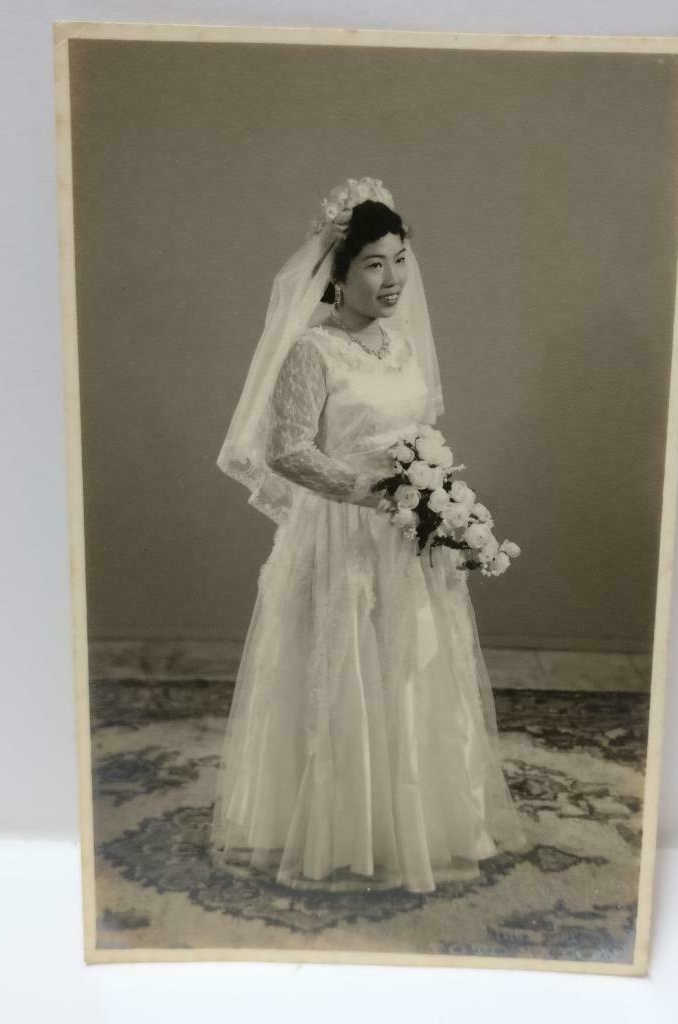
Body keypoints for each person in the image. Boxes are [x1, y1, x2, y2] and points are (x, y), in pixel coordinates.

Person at [211, 177, 525, 893]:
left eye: (400, 259)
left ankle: (416, 819)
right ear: (338, 275)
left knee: (412, 668)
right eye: (374, 264)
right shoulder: (312, 354)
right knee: (345, 665)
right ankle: (339, 825)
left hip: (407, 537)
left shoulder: (403, 346)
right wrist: (369, 490)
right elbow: (287, 449)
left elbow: (420, 430)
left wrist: (436, 497)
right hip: (340, 537)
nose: (392, 279)